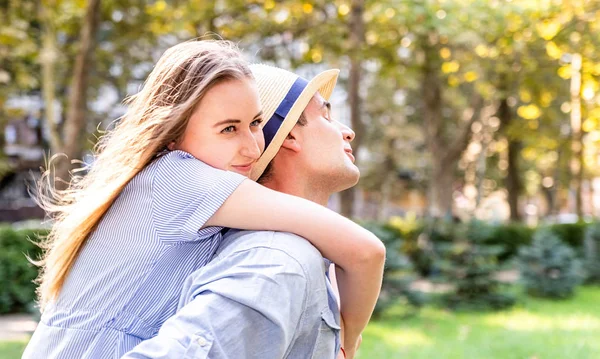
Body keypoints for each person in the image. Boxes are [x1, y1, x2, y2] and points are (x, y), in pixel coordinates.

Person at [23, 40, 384, 359]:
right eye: (229, 129)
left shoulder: (181, 186)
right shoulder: (182, 178)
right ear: (173, 136)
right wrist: (347, 343)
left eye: (256, 123)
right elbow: (365, 250)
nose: (252, 146)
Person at [123, 64, 382, 359]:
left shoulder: (300, 257)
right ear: (289, 137)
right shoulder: (275, 260)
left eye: (255, 124)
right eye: (325, 116)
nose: (347, 132)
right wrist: (346, 344)